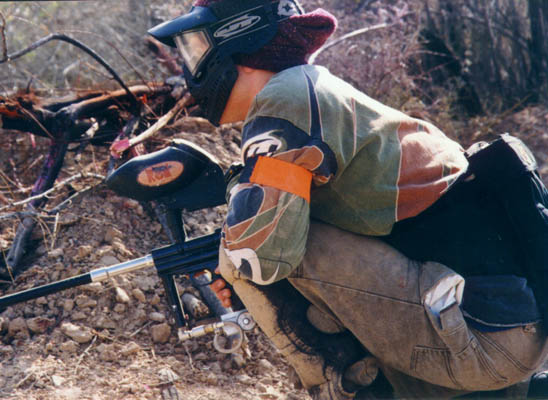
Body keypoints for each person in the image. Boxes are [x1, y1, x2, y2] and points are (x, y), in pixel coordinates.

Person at [148, 1, 548, 398]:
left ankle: (337, 388)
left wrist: (236, 227)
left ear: (239, 42)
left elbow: (260, 255)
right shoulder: (319, 90)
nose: (189, 67)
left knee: (247, 249)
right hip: (503, 328)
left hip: (477, 337)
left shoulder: (285, 97)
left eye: (197, 48)